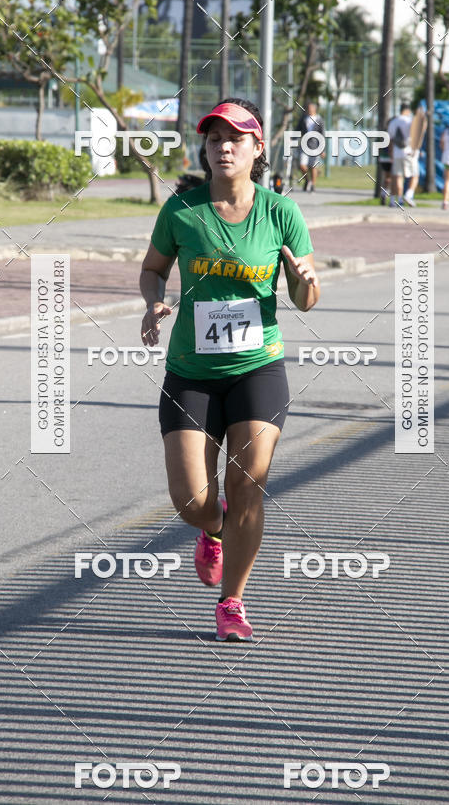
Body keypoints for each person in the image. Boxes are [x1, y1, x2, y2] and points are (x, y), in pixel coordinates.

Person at [139, 98, 320, 640]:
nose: (223, 146)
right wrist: (154, 302)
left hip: (257, 367)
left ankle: (232, 602)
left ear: (257, 148)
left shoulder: (281, 212)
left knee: (249, 486)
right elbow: (152, 270)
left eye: (235, 138)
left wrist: (305, 278)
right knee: (193, 500)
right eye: (214, 137)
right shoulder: (182, 210)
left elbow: (305, 298)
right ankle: (211, 529)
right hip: (191, 369)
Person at [388, 102, 418, 208]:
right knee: (414, 175)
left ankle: (398, 199)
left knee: (398, 177)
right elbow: (416, 135)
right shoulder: (410, 121)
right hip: (409, 152)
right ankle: (409, 195)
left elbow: (390, 140)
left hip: (397, 153)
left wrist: (391, 153)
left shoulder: (393, 122)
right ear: (408, 110)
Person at [297, 101, 325, 192]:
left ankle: (313, 185)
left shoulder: (319, 120)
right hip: (304, 145)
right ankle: (307, 180)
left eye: (310, 108)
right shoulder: (304, 119)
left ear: (314, 109)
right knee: (302, 165)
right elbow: (297, 130)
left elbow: (322, 135)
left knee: (313, 166)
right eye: (307, 108)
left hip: (316, 146)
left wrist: (322, 149)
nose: (308, 110)